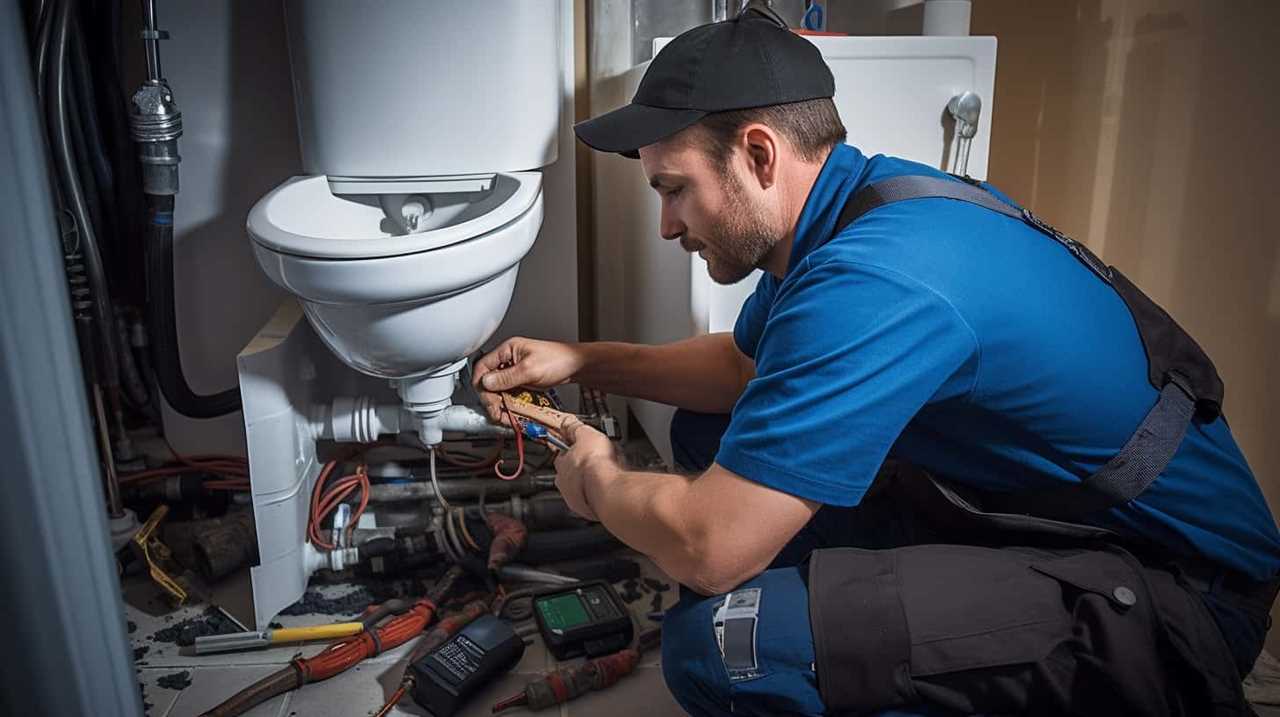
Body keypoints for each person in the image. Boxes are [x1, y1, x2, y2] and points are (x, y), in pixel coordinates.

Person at [473, 8, 1280, 717]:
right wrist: (581, 359)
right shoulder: (852, 209)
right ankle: (859, 632)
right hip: (1051, 524)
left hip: (1181, 601)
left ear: (757, 155)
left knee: (718, 648)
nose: (665, 224)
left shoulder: (874, 279)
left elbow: (709, 545)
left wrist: (600, 479)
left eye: (675, 189)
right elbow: (743, 369)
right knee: (707, 434)